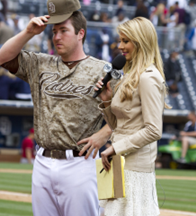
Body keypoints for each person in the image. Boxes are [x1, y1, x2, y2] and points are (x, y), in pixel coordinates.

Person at [0, 0, 112, 215]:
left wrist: (104, 133)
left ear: (80, 34)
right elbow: (2, 58)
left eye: (63, 31)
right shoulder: (40, 63)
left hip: (81, 163)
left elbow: (132, 112)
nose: (56, 37)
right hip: (42, 161)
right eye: (54, 31)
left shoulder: (102, 70)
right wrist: (29, 32)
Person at [94, 17, 169, 216]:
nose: (120, 46)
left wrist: (115, 148)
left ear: (141, 42)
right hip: (120, 166)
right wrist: (107, 101)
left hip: (134, 171)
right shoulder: (129, 75)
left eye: (125, 41)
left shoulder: (149, 77)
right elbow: (118, 126)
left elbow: (154, 130)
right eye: (120, 40)